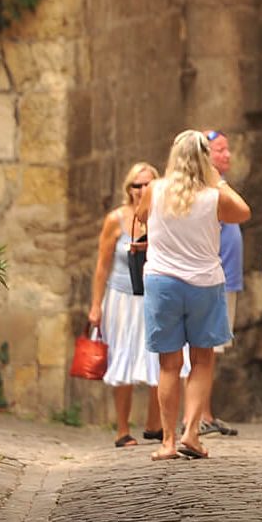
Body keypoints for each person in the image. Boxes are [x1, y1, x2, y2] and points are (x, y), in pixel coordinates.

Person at [137, 129, 251, 461]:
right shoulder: (214, 197)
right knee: (202, 361)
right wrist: (218, 181)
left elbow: (142, 218)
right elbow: (243, 212)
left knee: (168, 365)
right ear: (205, 160)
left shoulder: (156, 191)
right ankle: (192, 433)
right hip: (204, 283)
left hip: (162, 283)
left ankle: (168, 441)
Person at [87, 162, 165, 448]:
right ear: (128, 188)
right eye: (137, 185)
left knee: (160, 358)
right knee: (122, 357)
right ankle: (122, 429)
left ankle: (155, 424)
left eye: (148, 184)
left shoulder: (163, 216)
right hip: (121, 298)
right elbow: (101, 266)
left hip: (154, 295)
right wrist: (96, 305)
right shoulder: (116, 219)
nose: (142, 190)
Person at [200, 129, 241, 437]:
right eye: (220, 150)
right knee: (205, 348)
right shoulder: (211, 189)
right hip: (214, 277)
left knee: (213, 350)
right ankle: (200, 414)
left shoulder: (219, 185)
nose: (227, 155)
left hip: (228, 278)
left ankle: (205, 412)